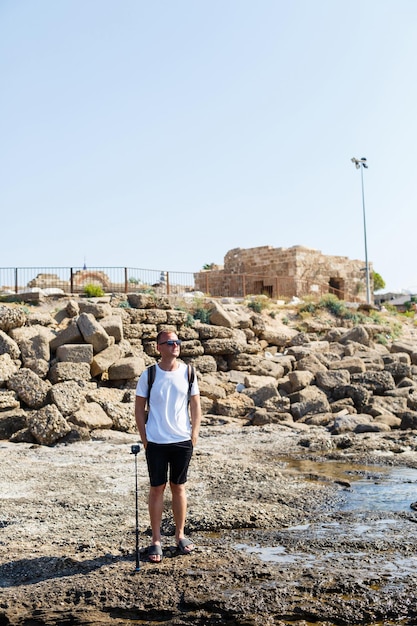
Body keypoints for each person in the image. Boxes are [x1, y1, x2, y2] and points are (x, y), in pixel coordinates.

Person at [135, 329, 202, 563]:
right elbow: (139, 409)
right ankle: (156, 540)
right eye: (169, 342)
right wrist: (144, 438)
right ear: (159, 347)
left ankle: (180, 535)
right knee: (157, 488)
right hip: (156, 441)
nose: (175, 345)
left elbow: (195, 406)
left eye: (177, 342)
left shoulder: (189, 373)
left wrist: (194, 434)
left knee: (179, 487)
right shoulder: (149, 375)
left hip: (182, 441)